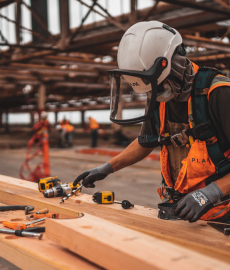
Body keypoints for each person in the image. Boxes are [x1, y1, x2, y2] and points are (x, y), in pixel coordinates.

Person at [73, 21, 230, 223]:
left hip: (222, 213)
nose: (154, 94)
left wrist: (211, 193)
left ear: (175, 65)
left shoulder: (220, 94)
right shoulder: (159, 95)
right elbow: (145, 142)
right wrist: (106, 167)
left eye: (159, 85)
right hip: (183, 210)